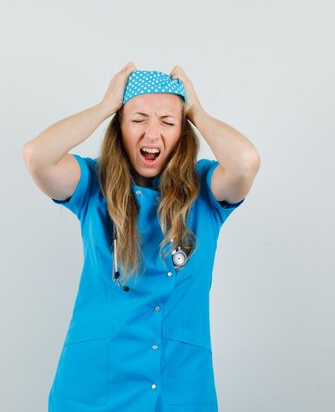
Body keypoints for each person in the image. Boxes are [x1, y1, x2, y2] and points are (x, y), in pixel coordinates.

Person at [22, 62, 260, 412]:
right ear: (119, 127)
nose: (152, 134)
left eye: (167, 122)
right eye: (138, 120)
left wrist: (197, 111)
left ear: (183, 131)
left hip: (179, 386)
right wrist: (105, 106)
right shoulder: (92, 184)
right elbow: (37, 156)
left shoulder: (205, 190)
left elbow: (245, 161)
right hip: (95, 385)